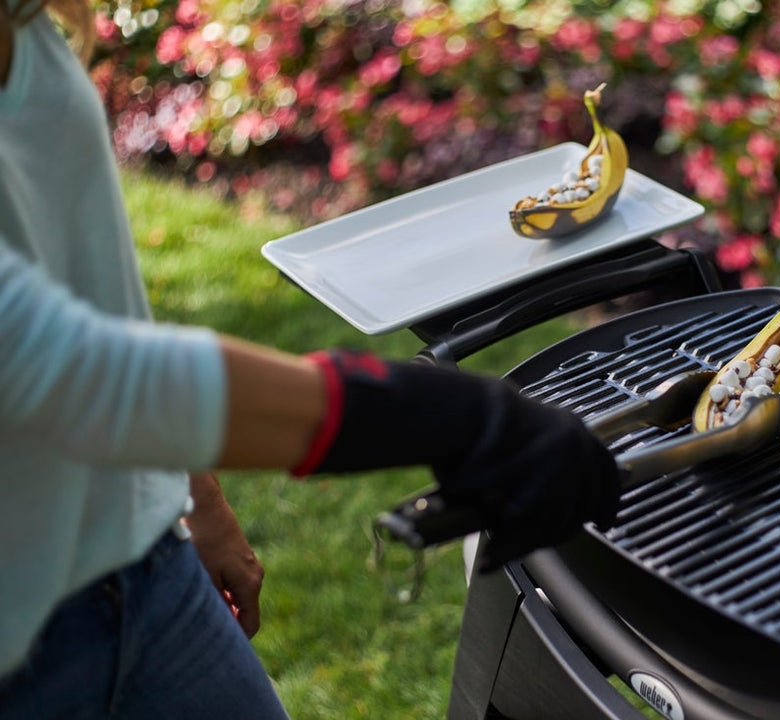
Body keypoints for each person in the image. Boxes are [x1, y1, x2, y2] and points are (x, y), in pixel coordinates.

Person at [0, 0, 622, 716]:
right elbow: (78, 374)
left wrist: (197, 501)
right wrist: (450, 419)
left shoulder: (26, 19)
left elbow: (91, 291)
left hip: (145, 568)